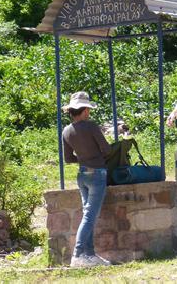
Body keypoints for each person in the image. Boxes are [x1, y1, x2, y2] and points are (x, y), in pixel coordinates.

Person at [61, 91, 113, 267]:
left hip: (82, 174)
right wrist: (95, 157)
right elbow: (106, 150)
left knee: (87, 214)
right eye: (88, 110)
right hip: (97, 174)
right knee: (90, 217)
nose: (89, 113)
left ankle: (90, 255)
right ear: (84, 111)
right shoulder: (91, 127)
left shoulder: (66, 131)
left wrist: (83, 158)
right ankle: (77, 255)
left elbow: (68, 159)